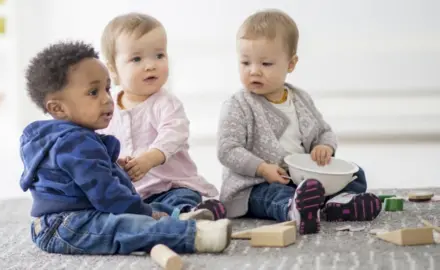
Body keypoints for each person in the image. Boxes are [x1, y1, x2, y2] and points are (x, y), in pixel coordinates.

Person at [19, 41, 231, 255]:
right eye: (93, 92)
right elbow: (107, 195)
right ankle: (192, 234)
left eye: (107, 88)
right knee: (123, 227)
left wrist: (112, 167)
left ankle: (180, 216)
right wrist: (143, 212)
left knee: (141, 208)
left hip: (77, 215)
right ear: (58, 108)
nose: (107, 99)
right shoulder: (74, 143)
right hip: (65, 226)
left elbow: (82, 179)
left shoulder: (66, 139)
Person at [217, 9, 381, 235]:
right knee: (273, 194)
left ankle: (338, 204)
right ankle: (294, 209)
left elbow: (323, 131)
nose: (254, 71)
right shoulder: (239, 105)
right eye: (245, 63)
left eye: (265, 64)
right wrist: (262, 169)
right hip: (256, 184)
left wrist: (323, 147)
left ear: (291, 64)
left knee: (356, 174)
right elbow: (227, 150)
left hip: (300, 178)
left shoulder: (300, 99)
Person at [99, 12, 226, 220]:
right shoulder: (106, 107)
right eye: (137, 59)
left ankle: (188, 215)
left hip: (170, 184)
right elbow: (99, 144)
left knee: (182, 196)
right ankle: (156, 218)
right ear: (113, 70)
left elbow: (174, 132)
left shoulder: (166, 103)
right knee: (113, 208)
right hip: (132, 192)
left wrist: (150, 157)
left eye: (159, 55)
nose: (151, 65)